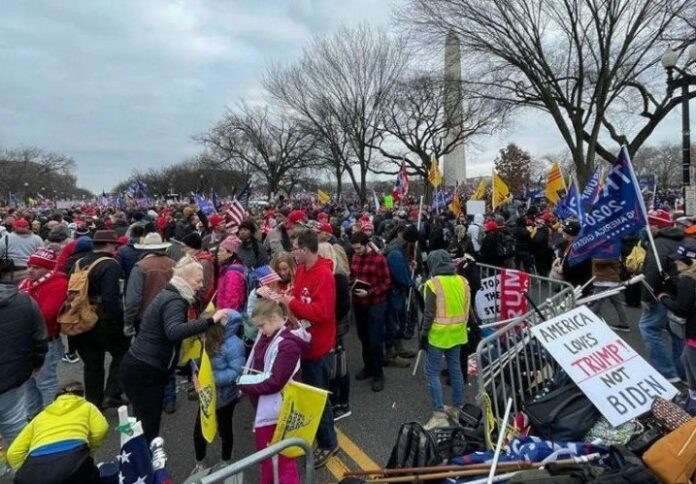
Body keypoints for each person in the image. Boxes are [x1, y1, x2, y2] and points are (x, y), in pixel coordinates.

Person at [119, 256, 230, 443]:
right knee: (148, 426)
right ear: (185, 279)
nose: (201, 285)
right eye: (198, 280)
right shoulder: (175, 300)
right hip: (146, 369)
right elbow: (174, 331)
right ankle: (147, 467)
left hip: (141, 365)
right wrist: (210, 321)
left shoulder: (171, 294)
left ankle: (143, 461)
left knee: (142, 423)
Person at [280, 230, 338, 468]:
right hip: (303, 341)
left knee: (318, 396)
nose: (292, 253)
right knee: (308, 393)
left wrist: (291, 303)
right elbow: (301, 298)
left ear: (305, 249)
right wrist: (289, 297)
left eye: (295, 248)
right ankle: (317, 434)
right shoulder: (302, 269)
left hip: (318, 346)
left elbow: (323, 312)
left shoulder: (324, 275)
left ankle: (329, 442)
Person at [238, 299, 310, 484]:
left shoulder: (288, 345)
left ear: (275, 318)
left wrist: (243, 382)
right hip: (271, 408)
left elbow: (275, 381)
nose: (260, 331)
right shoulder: (272, 334)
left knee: (281, 462)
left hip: (277, 412)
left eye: (262, 326)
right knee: (273, 461)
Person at [70, 230, 130, 409]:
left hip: (81, 318)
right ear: (109, 245)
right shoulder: (110, 265)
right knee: (122, 353)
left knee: (92, 364)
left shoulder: (79, 263)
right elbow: (112, 298)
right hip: (103, 321)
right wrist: (120, 323)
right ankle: (111, 393)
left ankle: (94, 404)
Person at [6, 382, 108, 484]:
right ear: (82, 396)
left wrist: (28, 471)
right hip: (74, 460)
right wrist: (89, 451)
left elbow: (13, 453)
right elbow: (101, 429)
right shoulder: (87, 406)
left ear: (55, 399)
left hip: (35, 469)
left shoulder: (40, 417)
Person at [420, 250, 471, 430]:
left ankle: (439, 413)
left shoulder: (432, 284)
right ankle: (457, 408)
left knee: (431, 372)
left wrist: (423, 334)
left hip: (438, 335)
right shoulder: (463, 281)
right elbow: (467, 308)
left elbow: (428, 313)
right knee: (456, 369)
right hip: (458, 333)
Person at [190, 312, 245, 474]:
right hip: (207, 395)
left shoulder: (233, 345)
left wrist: (211, 378)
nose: (199, 337)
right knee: (199, 430)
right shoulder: (205, 340)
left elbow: (236, 372)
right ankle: (200, 462)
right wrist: (195, 373)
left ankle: (226, 460)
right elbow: (198, 361)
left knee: (225, 429)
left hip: (225, 397)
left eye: (201, 333)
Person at [18, 247, 69, 417]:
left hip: (44, 342)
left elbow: (47, 315)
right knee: (28, 383)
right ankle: (33, 417)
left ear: (48, 268)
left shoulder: (58, 284)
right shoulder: (27, 283)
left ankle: (51, 417)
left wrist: (19, 314)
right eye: (29, 266)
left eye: (36, 267)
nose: (31, 270)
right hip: (25, 342)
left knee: (46, 383)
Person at [0, 280, 47, 450]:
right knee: (16, 431)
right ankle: (21, 472)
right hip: (13, 379)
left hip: (13, 377)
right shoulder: (24, 301)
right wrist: (36, 363)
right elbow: (39, 338)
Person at [350, 231, 393, 392]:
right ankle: (368, 367)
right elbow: (353, 275)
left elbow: (387, 282)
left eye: (359, 248)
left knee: (375, 340)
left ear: (366, 244)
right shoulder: (354, 257)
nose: (357, 251)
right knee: (364, 338)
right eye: (355, 249)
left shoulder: (378, 259)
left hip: (375, 303)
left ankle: (378, 374)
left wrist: (370, 292)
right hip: (359, 303)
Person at [318, 242, 353, 421]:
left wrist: (329, 319)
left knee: (340, 367)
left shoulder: (338, 277)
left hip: (336, 327)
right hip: (328, 327)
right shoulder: (326, 275)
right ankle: (333, 401)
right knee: (331, 367)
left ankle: (343, 403)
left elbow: (344, 305)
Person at [659, 243, 696, 414]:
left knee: (690, 366)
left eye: (681, 261)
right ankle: (691, 398)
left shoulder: (688, 280)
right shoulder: (688, 280)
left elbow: (682, 308)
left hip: (694, 335)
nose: (676, 264)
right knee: (685, 361)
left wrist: (663, 297)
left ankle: (693, 405)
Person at [123, 232, 175, 337]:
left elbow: (133, 298)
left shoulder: (141, 266)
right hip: (170, 316)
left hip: (146, 318)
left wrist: (128, 322)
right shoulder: (174, 264)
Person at [384, 225, 419, 367]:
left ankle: (399, 347)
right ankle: (390, 353)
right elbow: (399, 273)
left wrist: (410, 264)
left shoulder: (399, 248)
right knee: (393, 321)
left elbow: (403, 266)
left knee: (400, 318)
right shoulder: (395, 252)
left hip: (398, 291)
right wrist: (411, 282)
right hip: (393, 291)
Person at [587, 257, 630, 332]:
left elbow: (599, 262)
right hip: (611, 280)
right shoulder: (612, 250)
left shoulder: (605, 253)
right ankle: (624, 323)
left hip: (604, 281)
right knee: (618, 303)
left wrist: (593, 257)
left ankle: (587, 322)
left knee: (596, 302)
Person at [1, 218, 44, 284]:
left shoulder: (6, 238)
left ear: (14, 227)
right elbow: (41, 255)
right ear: (28, 227)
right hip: (29, 270)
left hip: (9, 271)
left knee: (8, 292)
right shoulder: (37, 239)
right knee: (26, 290)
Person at [215, 235, 247, 312]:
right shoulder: (227, 268)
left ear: (231, 253)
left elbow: (231, 298)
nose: (218, 254)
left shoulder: (232, 272)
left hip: (229, 315)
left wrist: (226, 316)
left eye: (221, 251)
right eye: (218, 251)